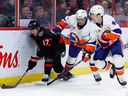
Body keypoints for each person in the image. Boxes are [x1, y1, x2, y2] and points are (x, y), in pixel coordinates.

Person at [53, 9, 102, 81]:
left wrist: (88, 51)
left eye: (81, 19)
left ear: (85, 18)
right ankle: (66, 73)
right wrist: (59, 27)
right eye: (78, 19)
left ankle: (95, 73)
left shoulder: (91, 26)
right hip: (75, 43)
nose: (79, 21)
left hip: (87, 44)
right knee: (70, 60)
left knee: (92, 59)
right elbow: (65, 20)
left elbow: (93, 41)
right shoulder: (73, 18)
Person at [89, 5, 127, 86]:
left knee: (117, 59)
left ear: (99, 15)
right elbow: (91, 41)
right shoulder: (91, 26)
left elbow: (118, 31)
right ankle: (111, 67)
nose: (91, 16)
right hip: (103, 46)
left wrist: (107, 37)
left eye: (93, 14)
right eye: (91, 14)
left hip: (114, 42)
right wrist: (88, 50)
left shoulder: (108, 19)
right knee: (97, 63)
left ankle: (120, 77)